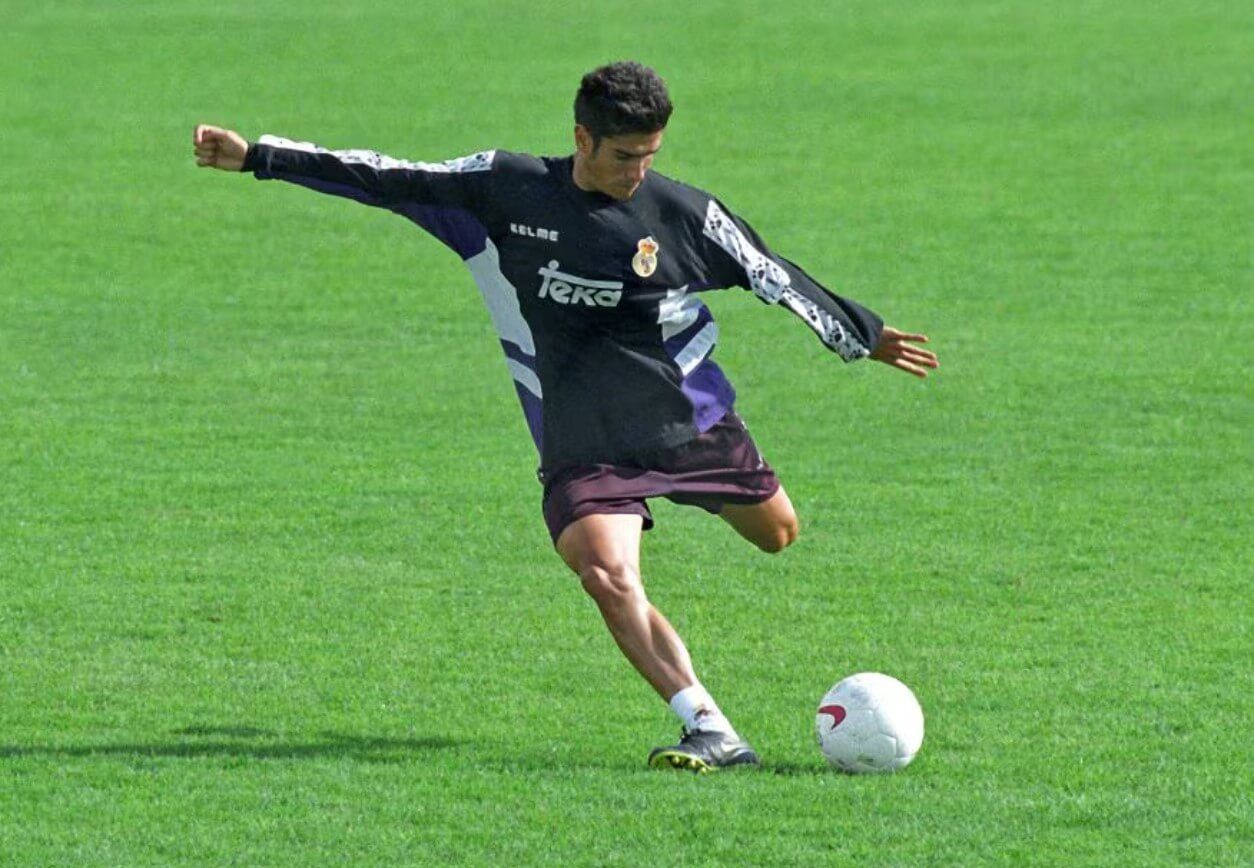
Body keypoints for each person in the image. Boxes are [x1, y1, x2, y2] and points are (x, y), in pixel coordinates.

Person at [192, 61, 938, 773]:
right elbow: (385, 176)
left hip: (687, 417)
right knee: (605, 572)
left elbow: (771, 272)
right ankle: (710, 727)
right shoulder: (506, 189)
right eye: (622, 155)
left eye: (649, 154)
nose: (636, 170)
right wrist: (257, 157)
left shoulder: (681, 213)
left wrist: (860, 335)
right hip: (581, 434)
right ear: (581, 139)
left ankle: (699, 511)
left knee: (778, 534)